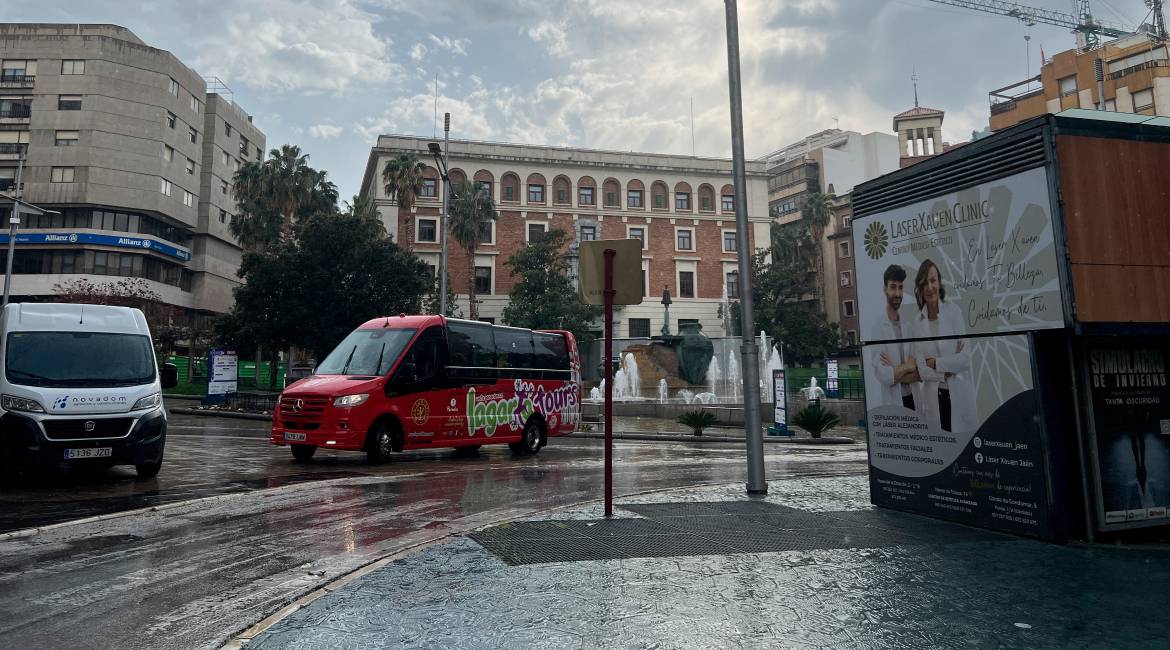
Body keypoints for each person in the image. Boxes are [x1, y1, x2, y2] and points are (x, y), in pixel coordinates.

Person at [909, 259, 975, 432]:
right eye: (925, 283)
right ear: (920, 288)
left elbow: (965, 359)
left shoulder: (954, 313)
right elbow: (922, 369)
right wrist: (947, 370)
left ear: (939, 282)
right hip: (933, 399)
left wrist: (935, 363)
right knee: (942, 452)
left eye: (933, 280)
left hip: (958, 395)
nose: (930, 287)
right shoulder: (917, 323)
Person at [866, 265, 919, 409]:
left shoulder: (908, 327)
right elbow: (883, 375)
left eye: (900, 288)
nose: (897, 293)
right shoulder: (877, 329)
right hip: (893, 404)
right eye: (893, 287)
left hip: (913, 400)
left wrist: (895, 370)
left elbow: (918, 372)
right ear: (885, 289)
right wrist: (907, 366)